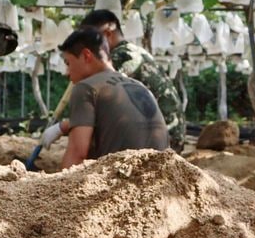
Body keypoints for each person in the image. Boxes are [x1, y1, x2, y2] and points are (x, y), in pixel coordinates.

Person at [40, 27, 168, 168]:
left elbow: (77, 154)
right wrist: (63, 126)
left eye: (68, 63)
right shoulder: (138, 85)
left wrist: (56, 188)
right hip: (161, 177)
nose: (66, 73)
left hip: (125, 181)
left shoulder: (85, 88)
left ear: (86, 56)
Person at [82, 8, 185, 150]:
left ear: (107, 34)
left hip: (161, 138)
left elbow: (102, 102)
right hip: (170, 132)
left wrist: (66, 126)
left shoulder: (120, 57)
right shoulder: (135, 51)